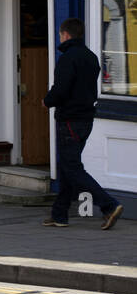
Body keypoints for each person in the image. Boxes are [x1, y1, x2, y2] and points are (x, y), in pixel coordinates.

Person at [42, 18, 123, 230]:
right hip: (86, 118)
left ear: (66, 35)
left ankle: (108, 205)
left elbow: (61, 89)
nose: (60, 38)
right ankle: (59, 214)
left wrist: (47, 101)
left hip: (69, 118)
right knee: (69, 166)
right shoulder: (91, 57)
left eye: (60, 35)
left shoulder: (68, 58)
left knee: (72, 167)